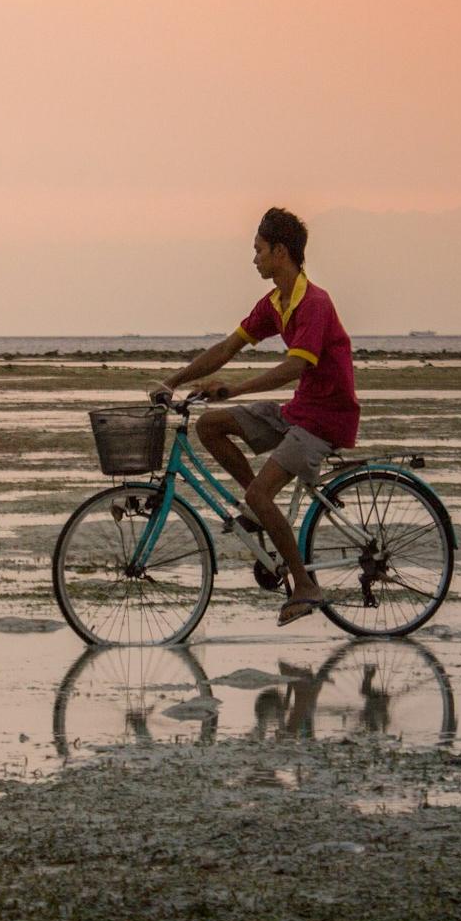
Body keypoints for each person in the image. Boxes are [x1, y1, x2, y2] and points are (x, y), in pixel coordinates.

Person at [153, 207, 359, 626]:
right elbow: (227, 348)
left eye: (259, 250)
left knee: (261, 494)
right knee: (211, 426)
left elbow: (293, 367)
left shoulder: (314, 303)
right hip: (298, 411)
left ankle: (305, 585)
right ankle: (256, 511)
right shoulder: (275, 303)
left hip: (325, 420)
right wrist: (172, 381)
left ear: (280, 252)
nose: (254, 260)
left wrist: (235, 389)